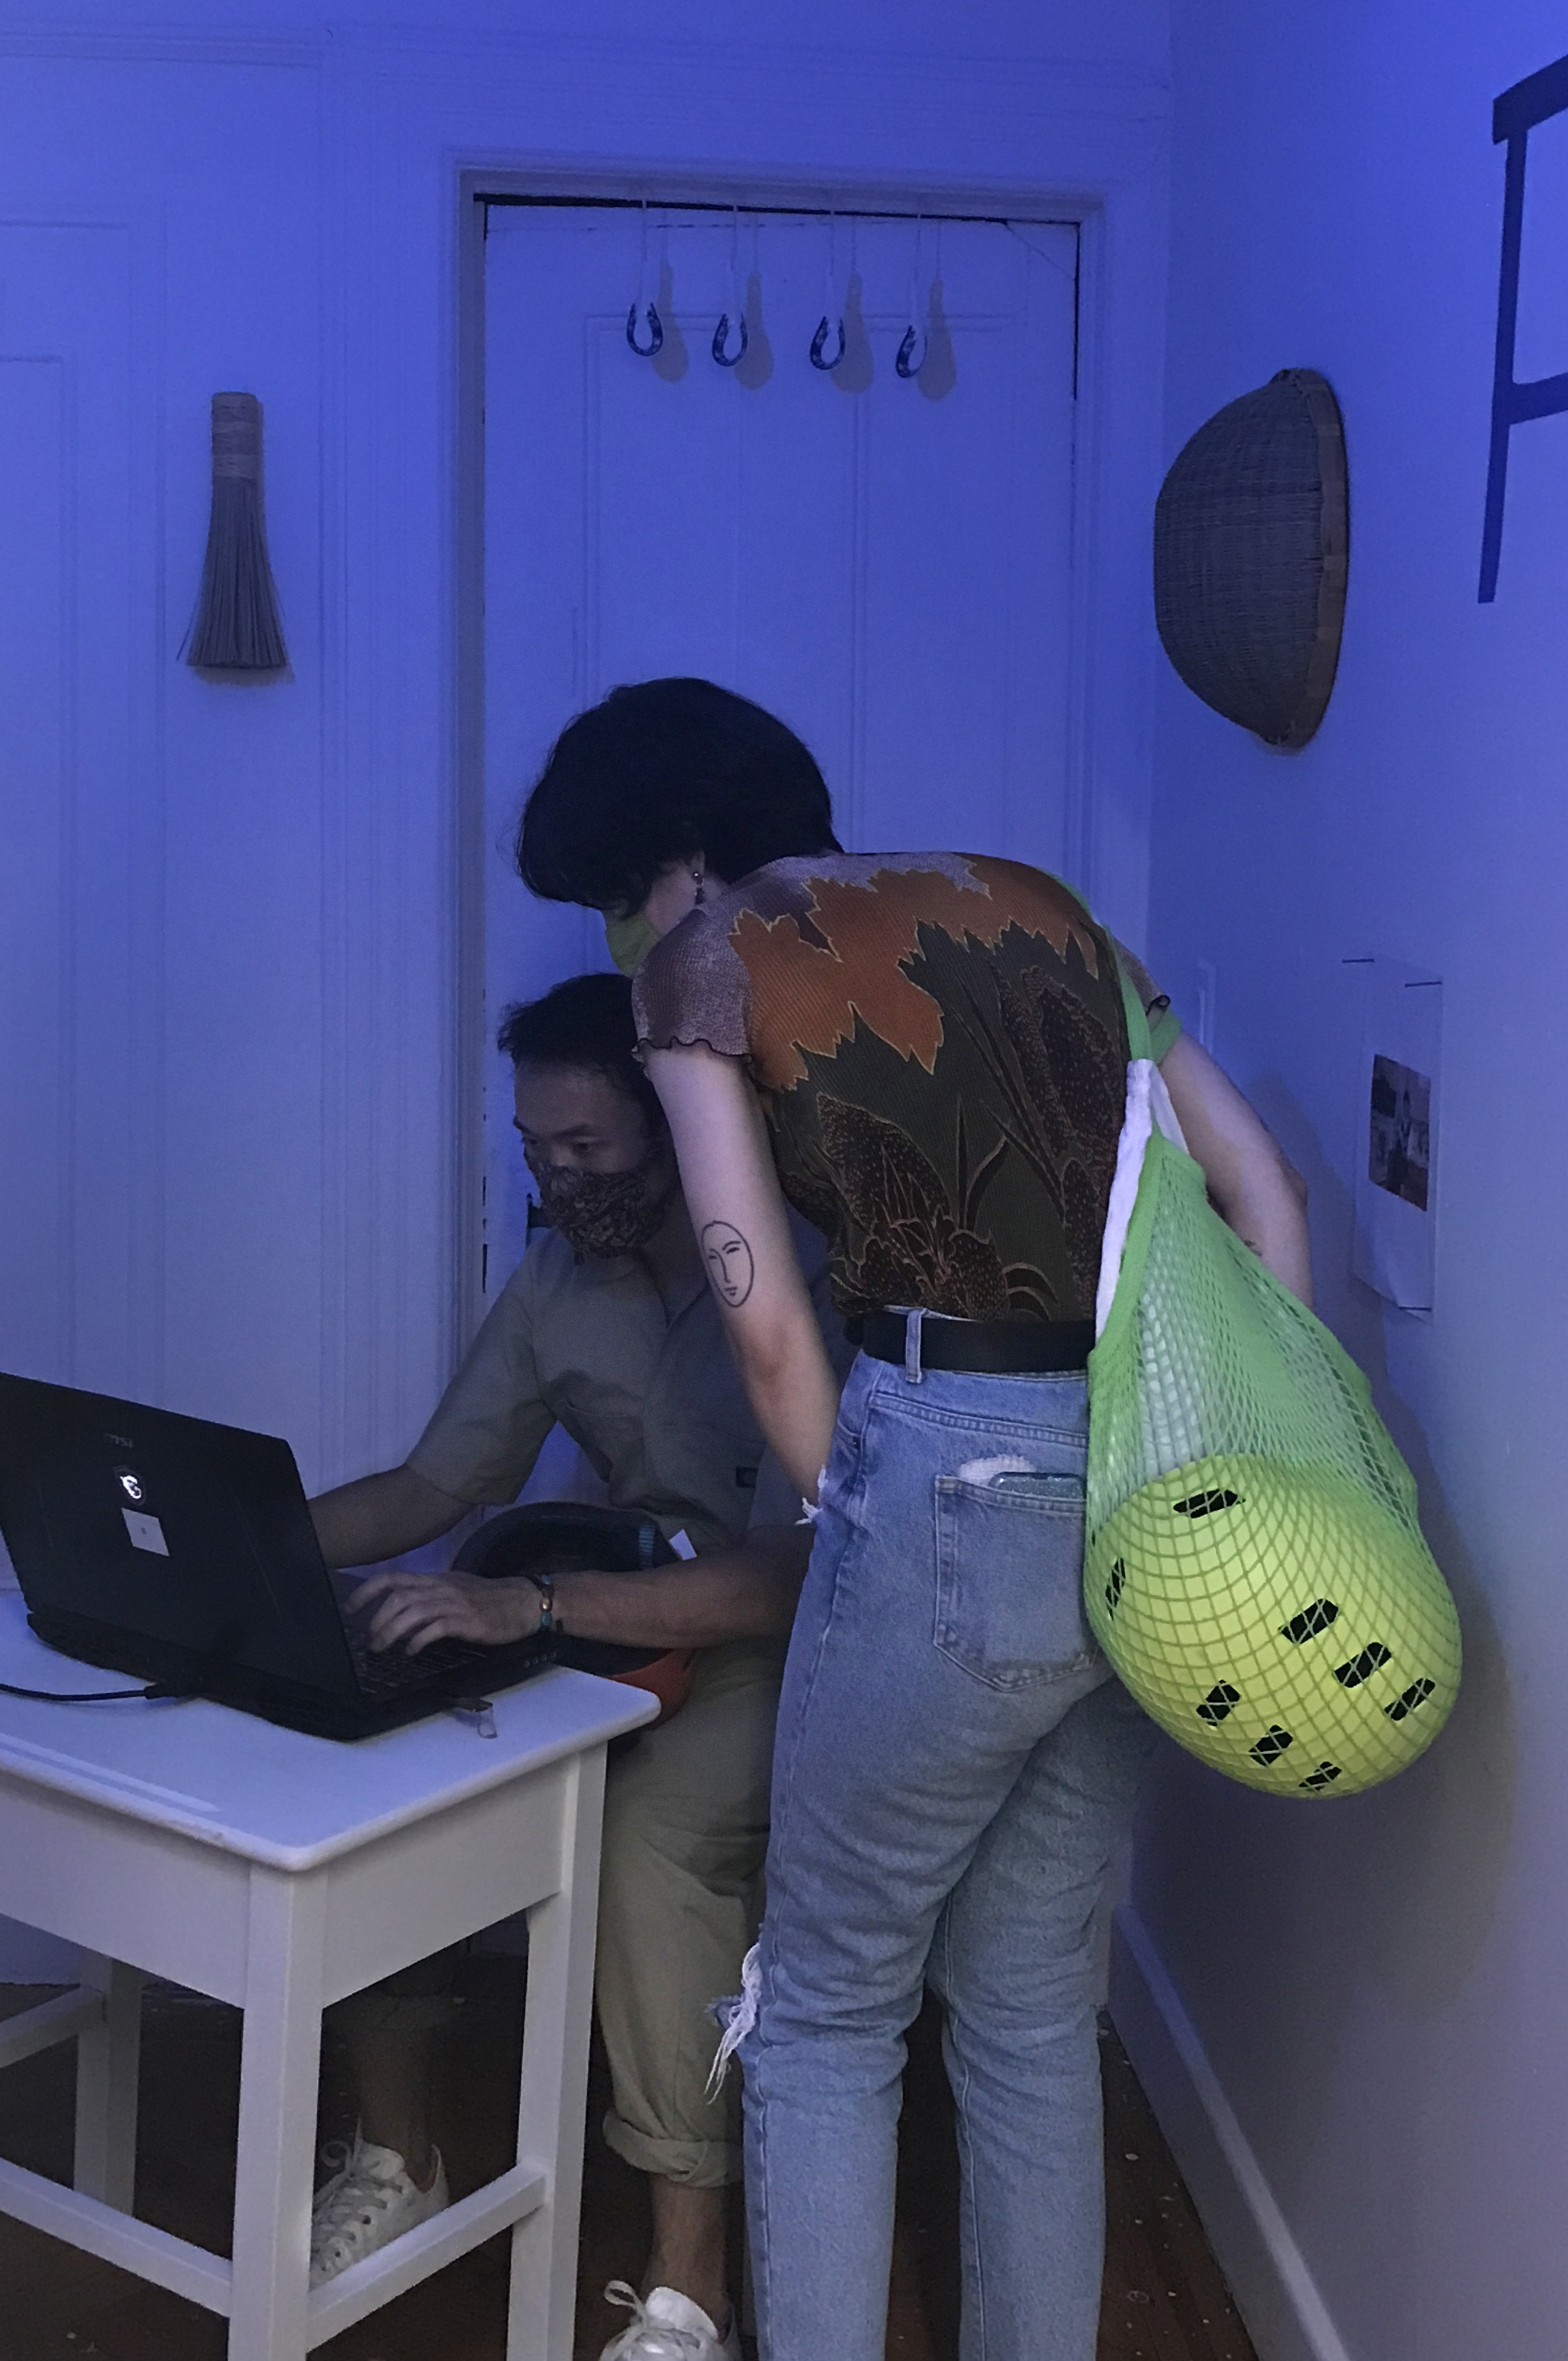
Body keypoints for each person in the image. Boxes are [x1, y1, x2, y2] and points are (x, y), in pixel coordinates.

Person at [516, 677, 1313, 2361]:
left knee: (824, 2011)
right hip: (1153, 1481)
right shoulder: (1044, 907)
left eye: (609, 889)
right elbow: (1264, 1190)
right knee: (1028, 2009)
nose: (618, 930)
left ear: (676, 849)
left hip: (944, 1461)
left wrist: (859, 1514)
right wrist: (1248, 1456)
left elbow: (765, 1326)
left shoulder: (706, 960)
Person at [306, 970, 845, 2361]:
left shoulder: (810, 1267)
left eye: (588, 1146)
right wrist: (258, 1544)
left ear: (677, 1123)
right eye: (536, 1148)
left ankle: (689, 2294)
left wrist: (531, 1607)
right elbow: (435, 1486)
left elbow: (794, 1570)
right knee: (394, 1770)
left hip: (776, 1643)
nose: (557, 1177)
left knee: (652, 1834)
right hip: (603, 1621)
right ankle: (401, 2156)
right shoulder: (557, 1282)